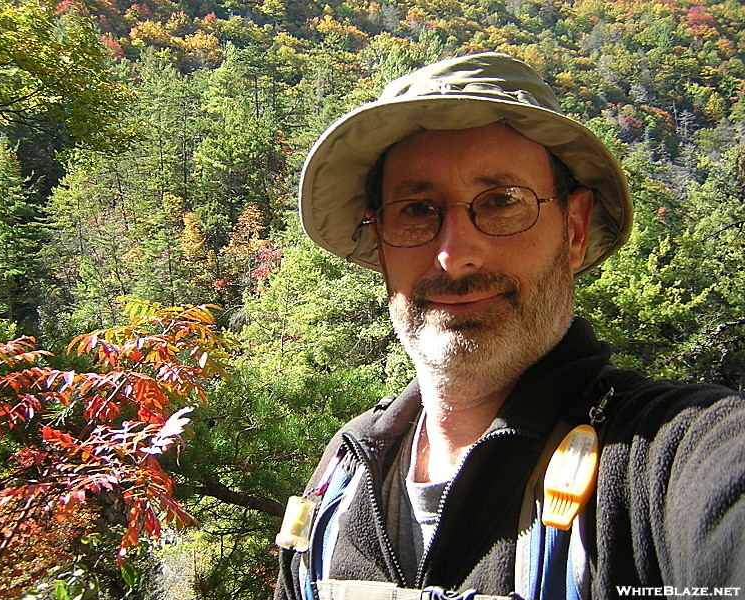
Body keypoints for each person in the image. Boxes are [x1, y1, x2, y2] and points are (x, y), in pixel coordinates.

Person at [273, 53, 745, 600]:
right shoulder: (344, 475)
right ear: (380, 241)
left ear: (572, 228)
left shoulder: (672, 455)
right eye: (417, 210)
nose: (454, 255)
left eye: (502, 201)